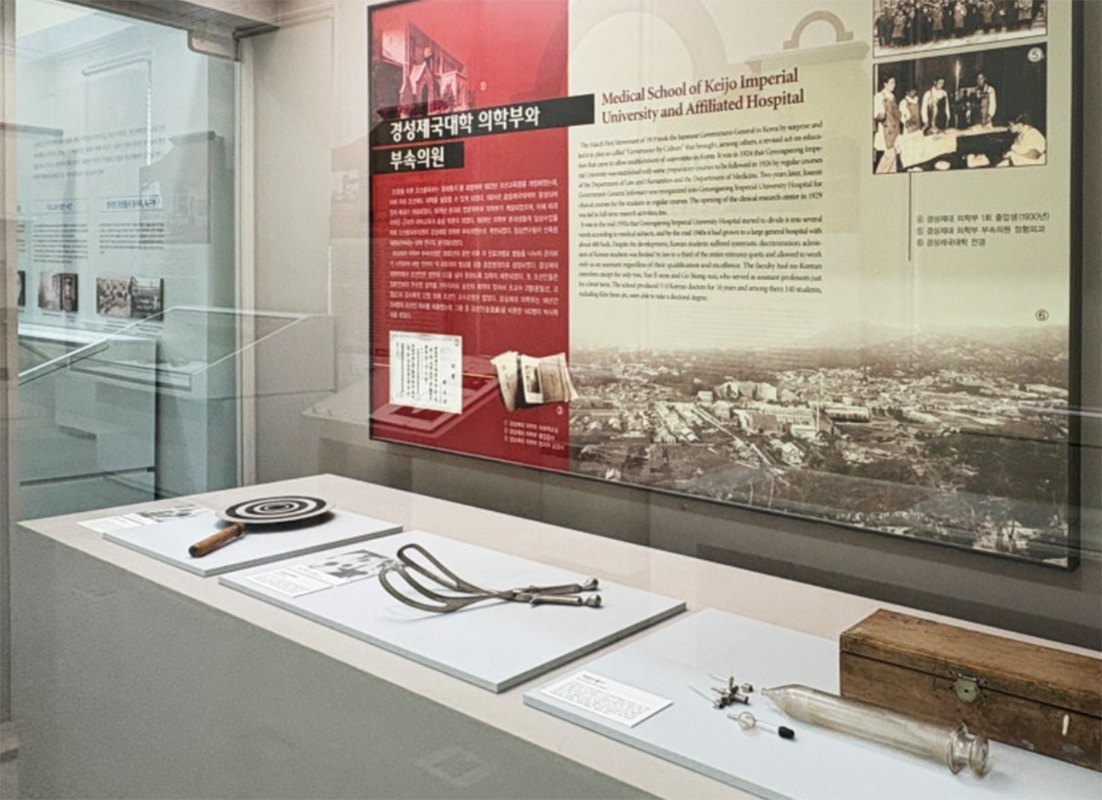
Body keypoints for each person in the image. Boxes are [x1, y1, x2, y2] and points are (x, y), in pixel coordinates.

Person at [874, 75, 902, 172]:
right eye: (891, 82)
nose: (894, 85)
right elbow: (876, 114)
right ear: (885, 84)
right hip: (885, 130)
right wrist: (881, 115)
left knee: (893, 158)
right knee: (889, 154)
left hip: (894, 129)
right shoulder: (879, 96)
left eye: (894, 82)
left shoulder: (892, 97)